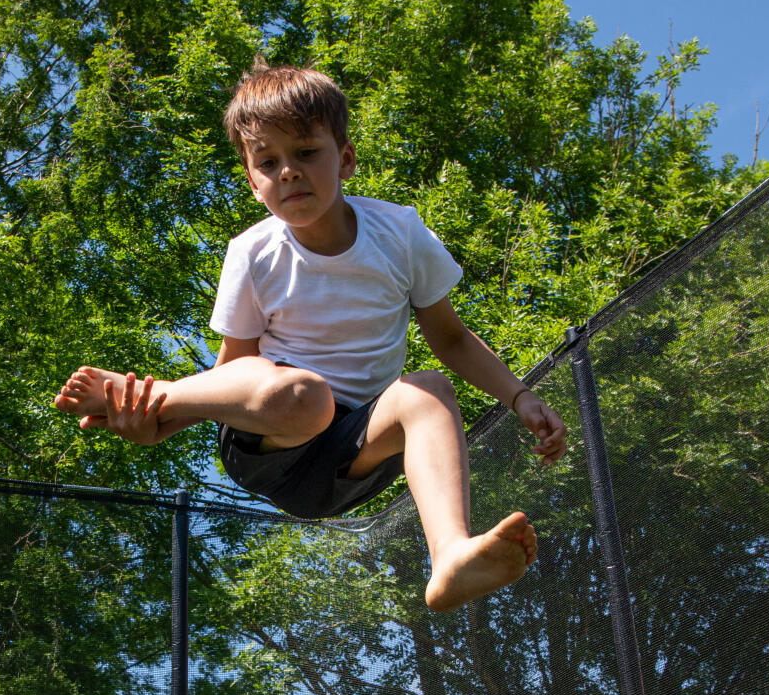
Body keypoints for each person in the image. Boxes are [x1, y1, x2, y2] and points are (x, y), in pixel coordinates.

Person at [55, 61, 567, 612]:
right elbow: (231, 373)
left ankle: (450, 556)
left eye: (305, 153)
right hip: (268, 441)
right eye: (268, 162)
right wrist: (158, 425)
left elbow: (453, 338)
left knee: (429, 389)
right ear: (252, 182)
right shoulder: (253, 254)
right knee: (304, 395)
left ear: (344, 159)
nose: (288, 173)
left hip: (345, 459)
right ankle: (153, 396)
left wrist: (520, 396)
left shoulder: (398, 234)